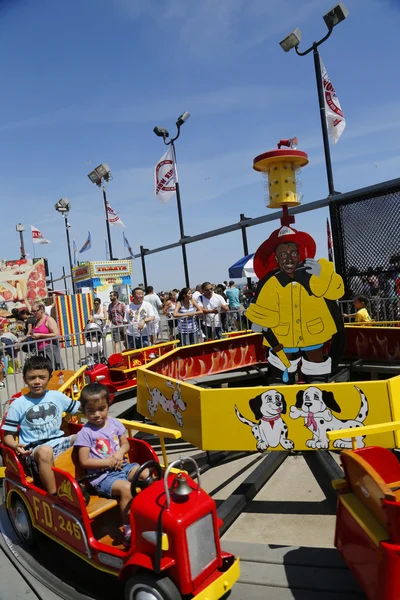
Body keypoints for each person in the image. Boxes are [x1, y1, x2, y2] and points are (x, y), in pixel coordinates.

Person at [246, 225, 344, 384]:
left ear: (299, 255)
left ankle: (318, 385)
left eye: (293, 253)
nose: (289, 258)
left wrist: (322, 274)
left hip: (312, 330)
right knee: (282, 363)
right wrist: (260, 321)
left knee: (315, 358)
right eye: (283, 254)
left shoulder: (313, 274)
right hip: (283, 334)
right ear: (277, 259)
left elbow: (336, 292)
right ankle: (280, 385)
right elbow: (264, 305)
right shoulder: (272, 282)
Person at [74, 383, 150, 544]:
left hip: (123, 465)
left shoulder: (115, 423)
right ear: (84, 410)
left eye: (101, 408)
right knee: (126, 489)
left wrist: (120, 453)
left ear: (108, 405)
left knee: (146, 474)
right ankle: (128, 528)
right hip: (102, 476)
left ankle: (151, 514)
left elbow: (125, 445)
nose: (97, 415)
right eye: (90, 411)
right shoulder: (85, 433)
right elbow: (84, 461)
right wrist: (108, 461)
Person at [1, 356, 81, 494]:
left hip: (59, 441)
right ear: (25, 379)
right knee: (45, 451)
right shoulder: (17, 405)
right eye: (32, 378)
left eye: (42, 377)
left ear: (49, 377)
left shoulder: (57, 396)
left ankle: (86, 480)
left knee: (82, 437)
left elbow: (81, 409)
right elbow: (7, 436)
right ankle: (54, 494)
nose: (37, 382)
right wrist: (15, 446)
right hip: (34, 449)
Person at [31, 302, 64, 369]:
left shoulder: (49, 320)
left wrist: (40, 335)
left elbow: (56, 334)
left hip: (49, 350)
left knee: (53, 370)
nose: (33, 314)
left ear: (42, 309)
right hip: (39, 350)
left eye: (35, 311)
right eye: (32, 312)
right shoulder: (36, 321)